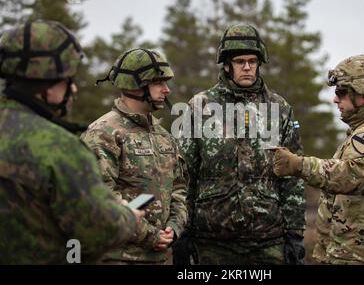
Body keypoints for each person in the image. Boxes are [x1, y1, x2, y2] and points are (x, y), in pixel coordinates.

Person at [0, 20, 142, 264]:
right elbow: (100, 233)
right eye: (68, 80)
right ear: (47, 85)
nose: (74, 89)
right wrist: (128, 216)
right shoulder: (60, 148)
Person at [174, 23, 306, 265]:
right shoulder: (200, 106)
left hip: (268, 240)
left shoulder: (280, 108)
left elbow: (292, 177)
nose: (247, 67)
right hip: (212, 241)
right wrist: (181, 231)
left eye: (252, 61)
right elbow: (183, 173)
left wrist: (295, 234)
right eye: (239, 61)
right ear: (227, 64)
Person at [274, 54, 364, 265]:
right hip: (351, 250)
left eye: (342, 93)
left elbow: (350, 175)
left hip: (359, 253)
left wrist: (299, 165)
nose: (336, 99)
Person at [81, 48, 188, 265]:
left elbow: (178, 189)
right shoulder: (102, 133)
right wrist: (149, 235)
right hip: (119, 257)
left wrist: (174, 228)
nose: (167, 90)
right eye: (159, 83)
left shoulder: (163, 136)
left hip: (163, 258)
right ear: (137, 85)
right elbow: (102, 197)